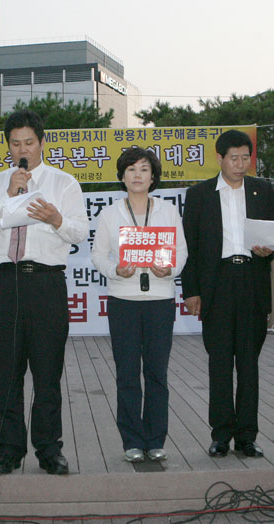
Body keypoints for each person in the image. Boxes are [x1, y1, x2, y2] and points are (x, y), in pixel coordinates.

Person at [0, 109, 89, 475]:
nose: (22, 149)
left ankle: (48, 448)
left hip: (46, 283)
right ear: (7, 146)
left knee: (46, 372)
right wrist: (9, 194)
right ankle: (8, 449)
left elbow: (78, 231)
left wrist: (56, 219)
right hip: (7, 283)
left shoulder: (64, 183)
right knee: (7, 372)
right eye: (15, 143)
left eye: (28, 142)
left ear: (42, 142)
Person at [182, 129, 274, 458]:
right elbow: (190, 247)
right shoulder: (200, 195)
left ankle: (247, 436)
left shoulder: (262, 191)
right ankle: (220, 433)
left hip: (252, 280)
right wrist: (192, 291)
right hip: (217, 284)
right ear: (220, 159)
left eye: (245, 158)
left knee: (250, 363)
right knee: (220, 362)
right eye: (234, 158)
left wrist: (269, 251)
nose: (240, 164)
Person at [90, 147, 187, 464]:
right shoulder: (110, 214)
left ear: (153, 177)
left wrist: (168, 269)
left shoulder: (168, 211)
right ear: (121, 176)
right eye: (130, 169)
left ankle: (155, 439)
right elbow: (98, 256)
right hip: (124, 301)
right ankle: (132, 440)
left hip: (160, 299)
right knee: (127, 373)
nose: (137, 175)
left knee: (157, 373)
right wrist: (114, 270)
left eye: (144, 169)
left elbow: (181, 252)